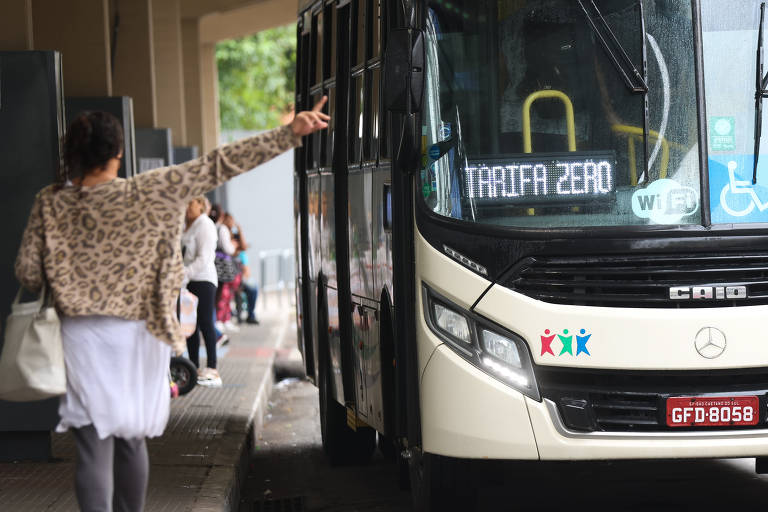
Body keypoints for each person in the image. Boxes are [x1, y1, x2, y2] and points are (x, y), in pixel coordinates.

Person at [14, 99, 329, 511]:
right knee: (131, 440)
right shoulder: (151, 189)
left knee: (91, 446)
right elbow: (220, 163)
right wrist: (289, 133)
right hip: (139, 335)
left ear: (74, 152)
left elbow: (28, 273)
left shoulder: (50, 202)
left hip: (79, 337)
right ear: (119, 152)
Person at [181, 196, 221, 387]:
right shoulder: (185, 225)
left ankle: (212, 367)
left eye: (191, 203)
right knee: (190, 327)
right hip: (187, 282)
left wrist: (185, 273)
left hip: (203, 280)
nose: (187, 207)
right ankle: (193, 366)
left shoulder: (205, 224)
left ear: (200, 205)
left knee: (206, 322)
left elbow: (204, 257)